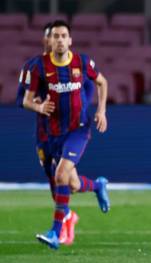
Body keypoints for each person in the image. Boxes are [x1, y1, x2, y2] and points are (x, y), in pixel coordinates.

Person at [23, 20, 111, 250]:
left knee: (61, 175)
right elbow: (26, 100)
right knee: (71, 183)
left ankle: (55, 232)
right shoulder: (39, 67)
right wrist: (39, 108)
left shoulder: (82, 62)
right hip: (52, 133)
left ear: (70, 40)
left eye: (64, 35)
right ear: (50, 40)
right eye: (56, 36)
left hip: (78, 130)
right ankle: (97, 186)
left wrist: (101, 111)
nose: (60, 40)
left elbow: (102, 82)